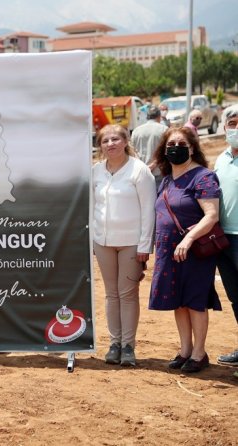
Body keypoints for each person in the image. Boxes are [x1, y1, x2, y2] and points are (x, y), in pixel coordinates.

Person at [149, 126, 222, 373]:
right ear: (164, 150)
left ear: (192, 149)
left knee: (194, 301)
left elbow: (211, 215)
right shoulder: (166, 179)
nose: (176, 148)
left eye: (182, 144)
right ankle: (185, 350)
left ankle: (199, 353)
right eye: (171, 145)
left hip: (194, 251)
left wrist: (188, 239)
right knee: (178, 301)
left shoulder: (204, 177)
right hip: (169, 251)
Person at [93, 125, 156, 366]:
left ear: (125, 141)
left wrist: (144, 245)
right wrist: (92, 239)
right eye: (105, 140)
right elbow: (91, 208)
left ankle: (128, 346)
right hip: (103, 242)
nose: (111, 144)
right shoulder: (96, 171)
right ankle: (114, 344)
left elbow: (148, 210)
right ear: (100, 145)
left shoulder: (139, 170)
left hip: (131, 243)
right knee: (111, 294)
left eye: (115, 139)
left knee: (127, 294)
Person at [214, 108, 238, 367]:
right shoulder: (221, 159)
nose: (236, 128)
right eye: (232, 123)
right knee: (235, 297)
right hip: (223, 239)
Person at [131, 105, 168, 187]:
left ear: (147, 117)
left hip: (141, 172)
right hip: (159, 172)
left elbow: (132, 151)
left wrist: (145, 167)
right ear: (159, 116)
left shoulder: (136, 131)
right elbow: (166, 151)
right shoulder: (164, 129)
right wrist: (153, 165)